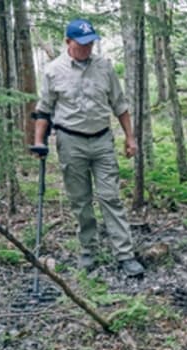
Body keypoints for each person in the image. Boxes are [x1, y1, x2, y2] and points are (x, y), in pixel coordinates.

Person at [33, 19, 144, 276]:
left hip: (103, 139)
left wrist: (130, 138)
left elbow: (120, 104)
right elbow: (43, 110)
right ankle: (88, 251)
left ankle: (125, 255)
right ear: (68, 42)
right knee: (81, 200)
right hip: (70, 141)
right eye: (82, 44)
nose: (87, 48)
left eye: (91, 43)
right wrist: (39, 142)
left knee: (111, 197)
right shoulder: (52, 71)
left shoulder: (104, 67)